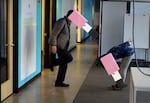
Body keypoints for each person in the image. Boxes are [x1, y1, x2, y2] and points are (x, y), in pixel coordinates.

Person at [48, 10, 74, 87]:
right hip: (59, 46)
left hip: (63, 46)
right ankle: (52, 62)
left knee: (64, 64)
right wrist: (53, 45)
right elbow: (54, 34)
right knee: (69, 58)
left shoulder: (68, 23)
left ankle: (59, 82)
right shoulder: (62, 21)